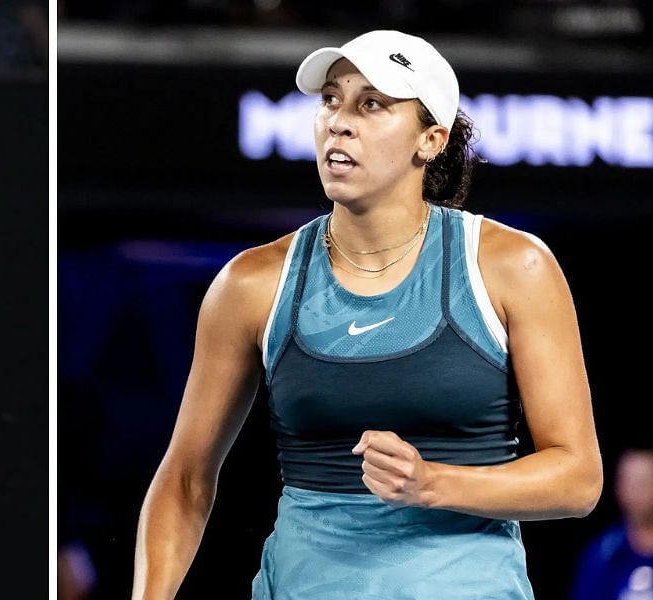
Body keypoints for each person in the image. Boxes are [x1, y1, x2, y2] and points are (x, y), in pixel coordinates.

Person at [131, 29, 603, 599]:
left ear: (431, 139)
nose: (339, 120)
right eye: (331, 99)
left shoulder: (513, 266)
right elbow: (184, 479)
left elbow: (578, 479)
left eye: (372, 103)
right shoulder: (251, 283)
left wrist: (431, 483)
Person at [572, 446, 653, 600]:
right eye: (630, 483)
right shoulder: (603, 553)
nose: (637, 493)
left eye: (644, 483)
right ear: (618, 488)